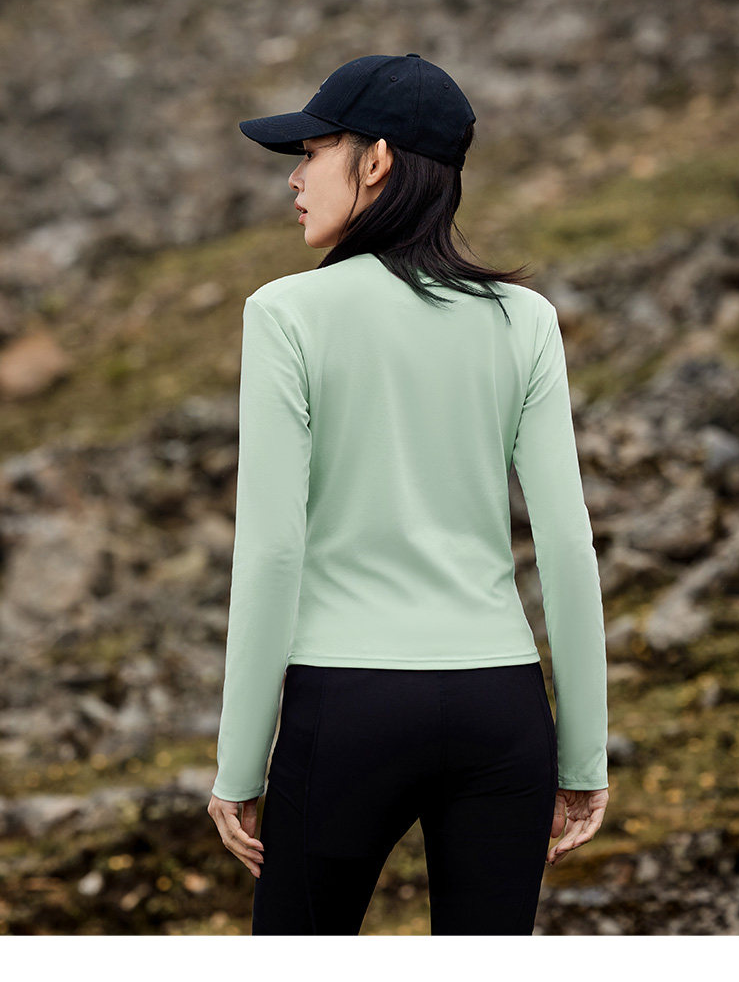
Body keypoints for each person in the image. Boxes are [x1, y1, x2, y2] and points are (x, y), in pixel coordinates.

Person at [207, 53, 610, 936]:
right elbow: (567, 547)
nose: (294, 180)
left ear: (377, 160)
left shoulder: (285, 314)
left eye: (312, 152)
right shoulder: (525, 319)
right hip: (501, 710)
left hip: (346, 709)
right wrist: (583, 756)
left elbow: (271, 550)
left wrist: (239, 766)